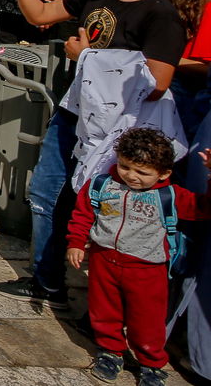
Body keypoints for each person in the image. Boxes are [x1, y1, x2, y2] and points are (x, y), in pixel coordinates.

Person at [0, 0, 186, 310]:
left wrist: (87, 58)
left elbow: (158, 82)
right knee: (45, 195)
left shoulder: (161, 16)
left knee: (100, 203)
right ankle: (47, 281)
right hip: (73, 114)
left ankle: (104, 304)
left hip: (120, 132)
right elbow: (40, 14)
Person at [67, 128, 211, 384]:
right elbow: (83, 214)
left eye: (142, 172)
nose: (131, 176)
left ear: (164, 173)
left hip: (147, 269)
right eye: (125, 166)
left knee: (147, 320)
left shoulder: (171, 196)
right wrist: (76, 242)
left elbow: (204, 209)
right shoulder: (101, 186)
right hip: (103, 261)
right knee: (103, 311)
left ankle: (151, 363)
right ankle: (110, 352)